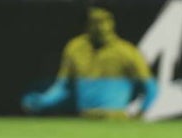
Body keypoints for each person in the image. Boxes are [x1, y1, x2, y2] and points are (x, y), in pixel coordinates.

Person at [23, 7, 158, 119]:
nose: (102, 27)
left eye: (106, 22)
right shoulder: (74, 48)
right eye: (96, 22)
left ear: (112, 24)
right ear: (87, 26)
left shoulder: (127, 52)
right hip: (85, 118)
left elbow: (150, 88)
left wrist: (141, 113)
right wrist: (42, 101)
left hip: (114, 119)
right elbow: (63, 87)